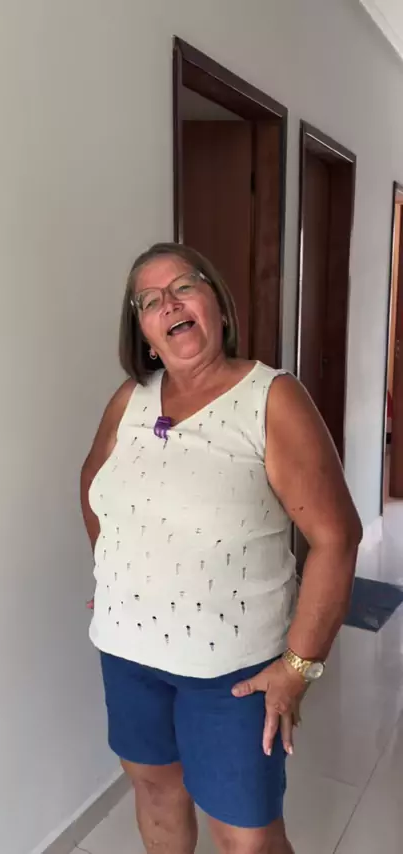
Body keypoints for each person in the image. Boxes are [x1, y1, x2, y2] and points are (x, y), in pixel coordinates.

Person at [80, 243, 362, 854]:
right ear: (143, 331)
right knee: (154, 789)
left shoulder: (272, 399)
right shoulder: (129, 400)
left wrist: (299, 666)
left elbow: (336, 539)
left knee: (246, 837)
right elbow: (94, 486)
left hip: (233, 674)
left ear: (219, 305)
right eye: (149, 300)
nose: (168, 303)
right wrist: (113, 578)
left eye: (184, 286)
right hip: (128, 654)